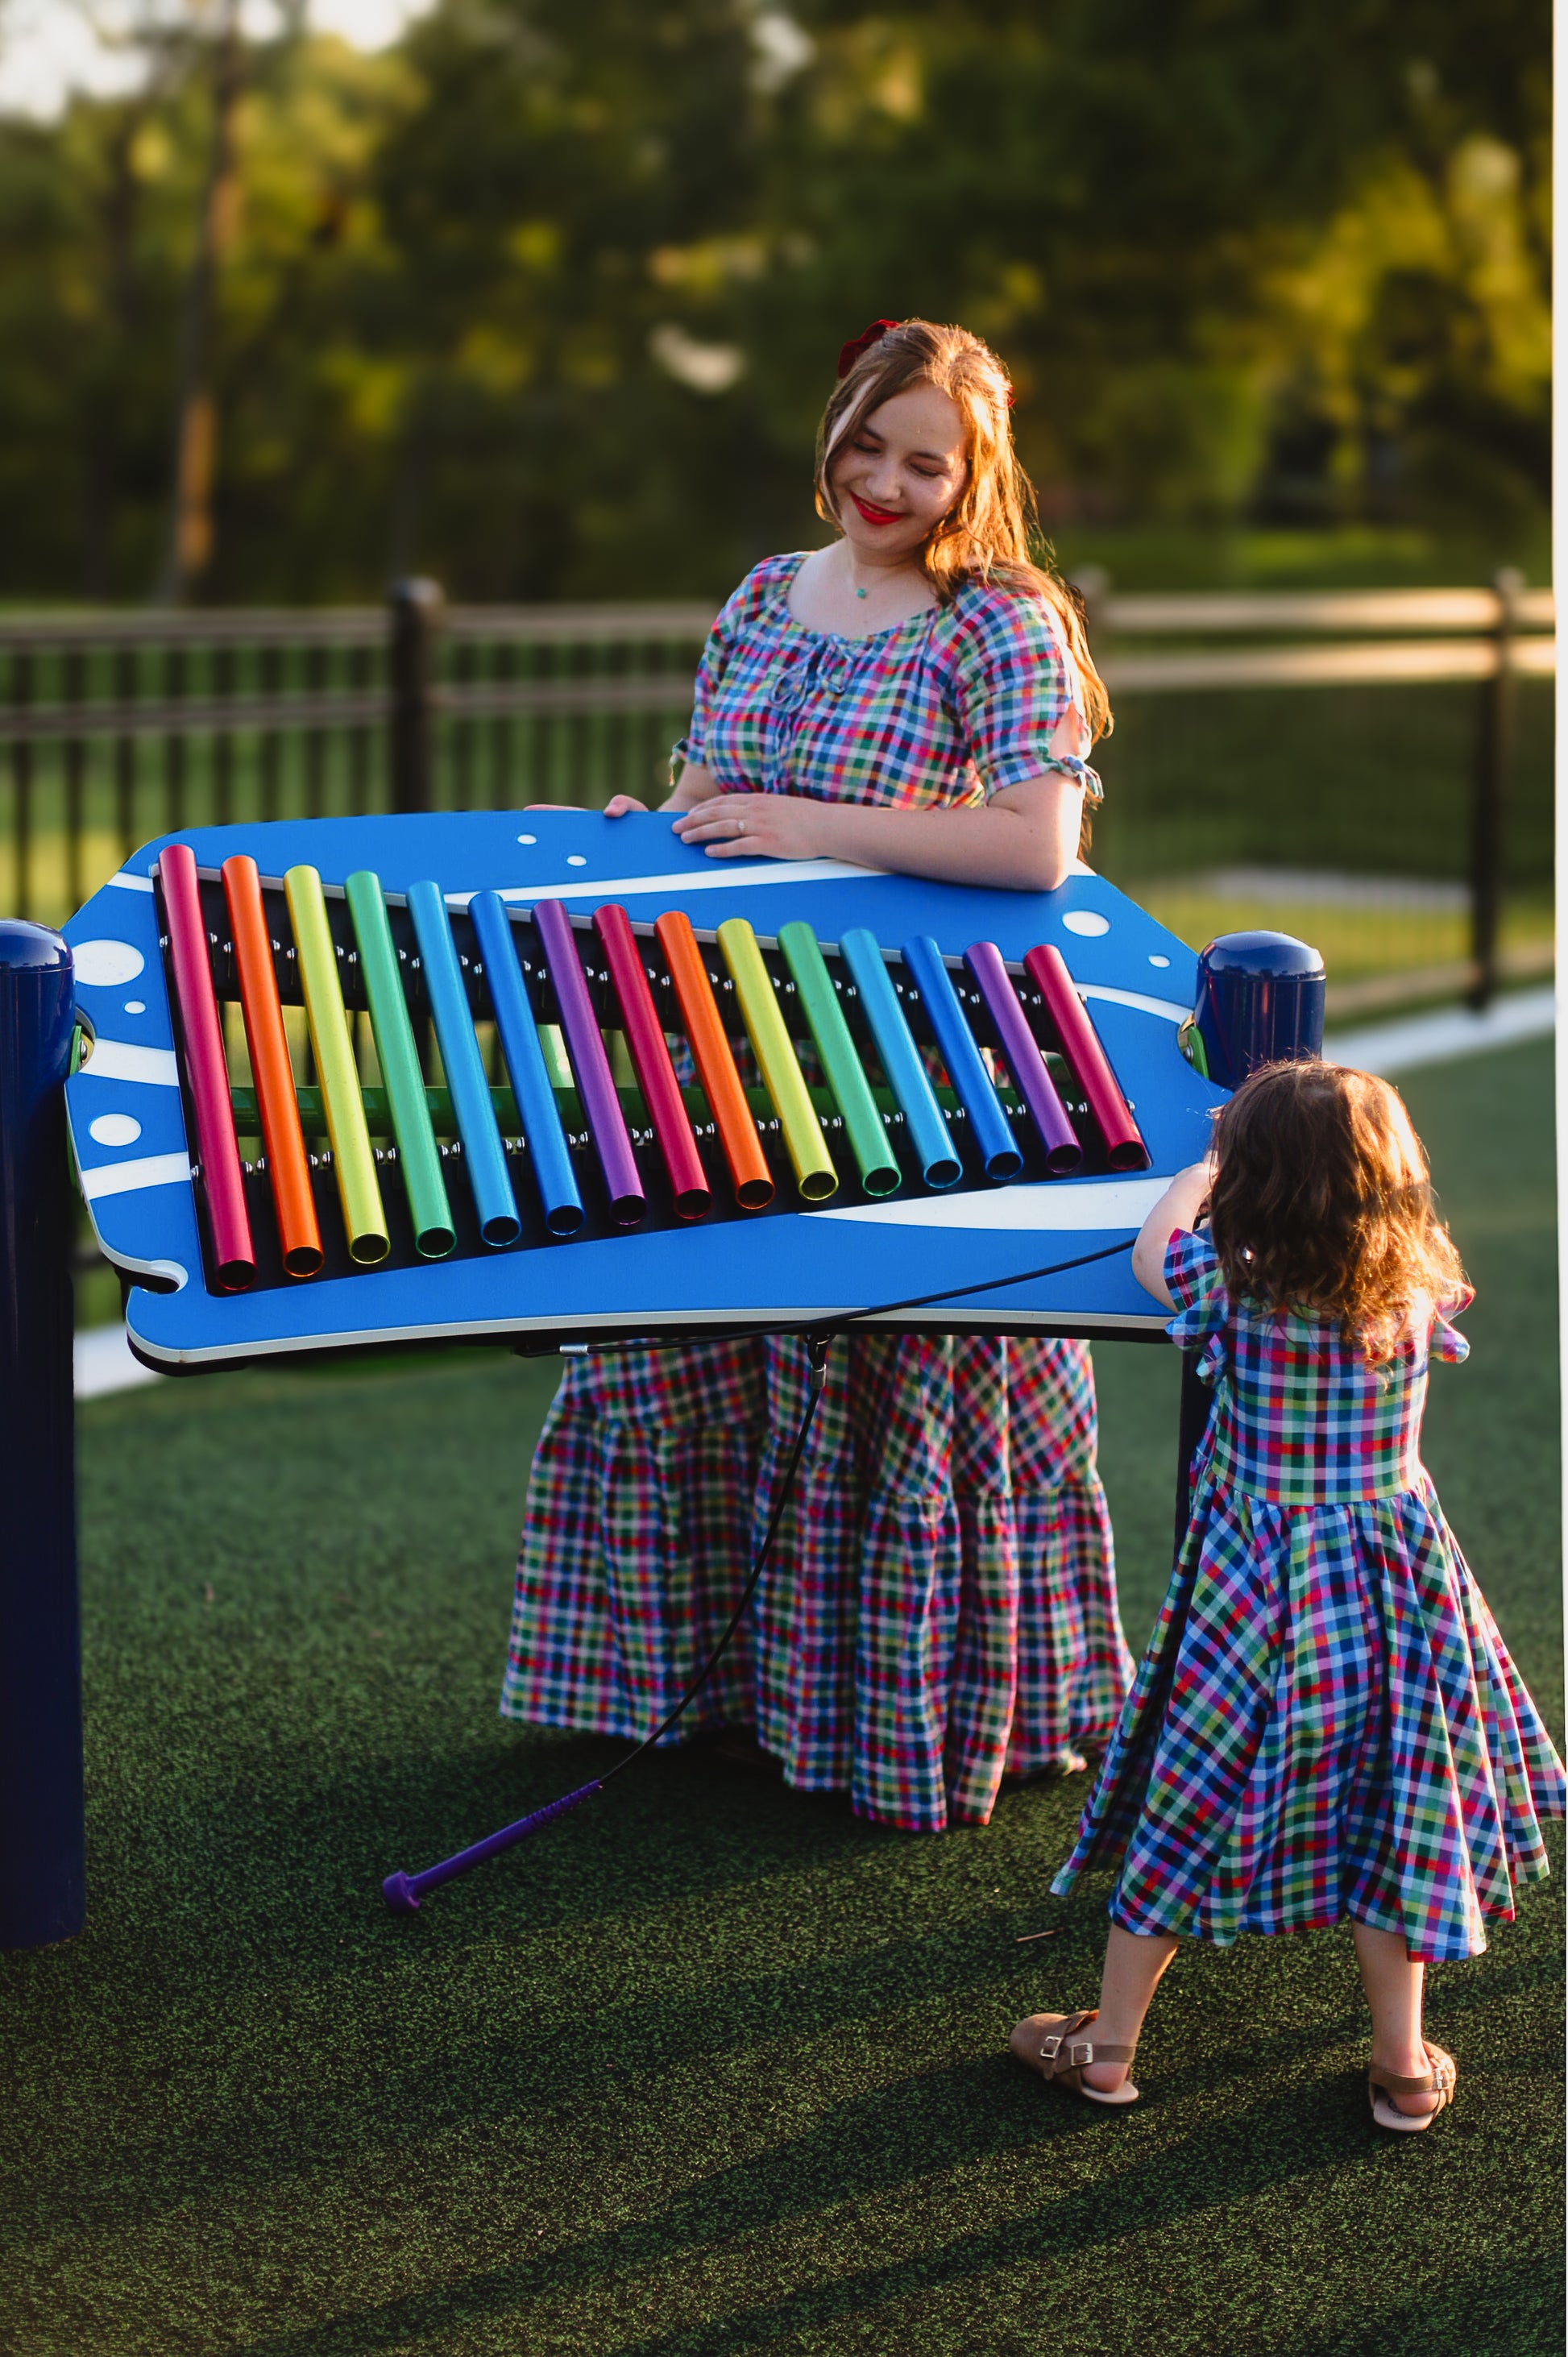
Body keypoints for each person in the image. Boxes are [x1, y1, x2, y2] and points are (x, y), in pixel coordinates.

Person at [501, 316, 1134, 1833]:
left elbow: (1038, 845)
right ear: (834, 425)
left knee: (897, 1365)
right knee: (703, 1339)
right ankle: (711, 1696)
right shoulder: (764, 596)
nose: (888, 482)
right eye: (870, 442)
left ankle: (895, 1728)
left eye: (929, 461)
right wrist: (641, 829)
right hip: (722, 1040)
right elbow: (709, 792)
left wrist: (805, 823)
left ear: (974, 474)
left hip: (912, 1056)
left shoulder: (1001, 620)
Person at [1012, 1060, 1565, 2126]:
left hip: (1255, 1603)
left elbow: (1148, 1253)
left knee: (1187, 1799)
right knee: (1392, 1812)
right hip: (1395, 1596)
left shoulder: (1237, 1287)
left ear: (1255, 1187)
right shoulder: (1416, 1286)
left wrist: (1203, 1169)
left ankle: (1109, 2048)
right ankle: (1402, 2065)